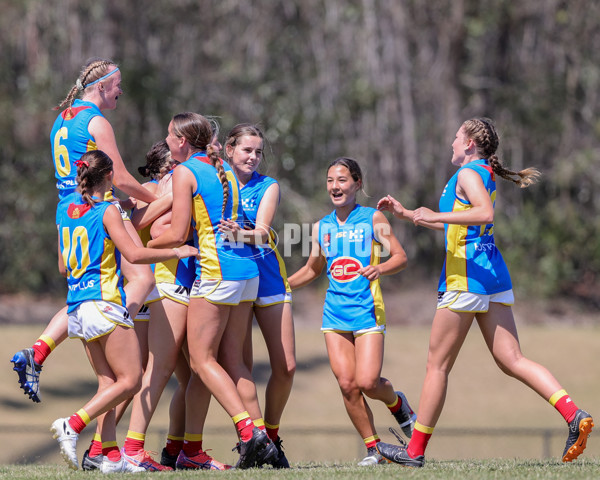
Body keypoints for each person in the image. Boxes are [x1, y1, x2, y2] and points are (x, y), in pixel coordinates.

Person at [375, 117, 594, 467]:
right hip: (493, 276)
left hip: (466, 278)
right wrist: (408, 214)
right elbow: (456, 218)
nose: (451, 141)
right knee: (513, 360)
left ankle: (413, 452)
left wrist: (432, 215)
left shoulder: (467, 174)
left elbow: (484, 213)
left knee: (437, 366)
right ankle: (573, 414)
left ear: (471, 144)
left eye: (456, 136)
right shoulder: (479, 173)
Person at [11, 57, 156, 403]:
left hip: (67, 210)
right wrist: (156, 196)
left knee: (80, 286)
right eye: (117, 84)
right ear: (102, 86)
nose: (121, 90)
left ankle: (39, 351)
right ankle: (116, 325)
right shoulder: (96, 121)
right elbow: (118, 177)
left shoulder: (61, 119)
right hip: (92, 210)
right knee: (143, 278)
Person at [50, 150, 197, 473]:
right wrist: (177, 249)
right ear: (109, 176)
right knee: (131, 380)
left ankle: (111, 456)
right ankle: (72, 424)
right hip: (105, 302)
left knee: (108, 382)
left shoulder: (64, 208)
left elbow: (63, 266)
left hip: (77, 306)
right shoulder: (108, 210)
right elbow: (133, 252)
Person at [148, 112, 276, 469]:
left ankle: (251, 433)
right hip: (246, 274)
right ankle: (190, 450)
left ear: (184, 141)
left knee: (203, 361)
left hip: (217, 273)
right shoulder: (223, 169)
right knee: (228, 362)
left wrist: (128, 228)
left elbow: (176, 234)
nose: (168, 142)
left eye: (171, 136)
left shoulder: (186, 172)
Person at [287, 157, 416, 466]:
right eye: (331, 180)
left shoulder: (373, 219)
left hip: (368, 311)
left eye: (342, 180)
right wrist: (280, 287)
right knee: (347, 385)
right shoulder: (321, 227)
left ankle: (399, 405)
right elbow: (311, 270)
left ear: (357, 183)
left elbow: (400, 257)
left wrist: (380, 268)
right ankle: (374, 449)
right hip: (334, 315)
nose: (335, 186)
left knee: (368, 382)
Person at [218, 124, 296, 468]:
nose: (253, 157)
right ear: (229, 150)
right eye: (247, 150)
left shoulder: (268, 186)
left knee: (287, 366)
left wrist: (241, 232)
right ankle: (256, 440)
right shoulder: (215, 180)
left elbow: (263, 234)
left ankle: (271, 436)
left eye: (258, 152)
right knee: (240, 366)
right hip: (230, 280)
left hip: (267, 279)